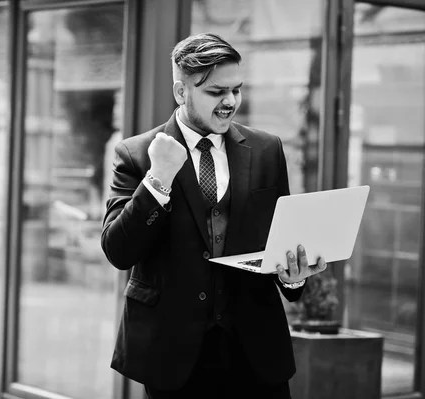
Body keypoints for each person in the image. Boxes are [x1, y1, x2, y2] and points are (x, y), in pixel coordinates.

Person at [100, 33, 328, 398]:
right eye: (216, 92)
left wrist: (293, 277)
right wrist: (158, 179)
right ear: (181, 92)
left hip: (255, 350)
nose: (230, 102)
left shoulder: (267, 149)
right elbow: (118, 251)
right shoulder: (136, 153)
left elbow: (277, 240)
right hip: (172, 353)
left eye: (236, 90)